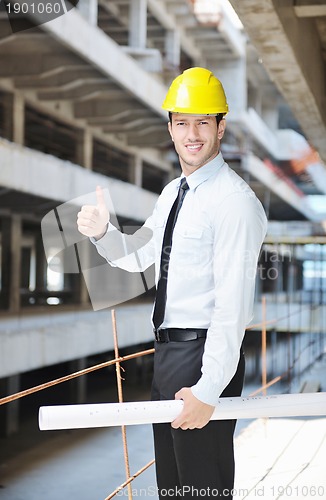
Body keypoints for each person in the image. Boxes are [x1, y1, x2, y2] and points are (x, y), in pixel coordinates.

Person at [77, 67, 268, 499]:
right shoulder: (172, 193)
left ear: (222, 126)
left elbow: (233, 305)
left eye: (203, 122)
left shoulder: (234, 202)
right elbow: (142, 257)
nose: (192, 134)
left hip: (202, 357)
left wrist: (208, 387)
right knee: (173, 490)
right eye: (182, 122)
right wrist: (103, 234)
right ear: (170, 128)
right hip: (167, 354)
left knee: (203, 488)